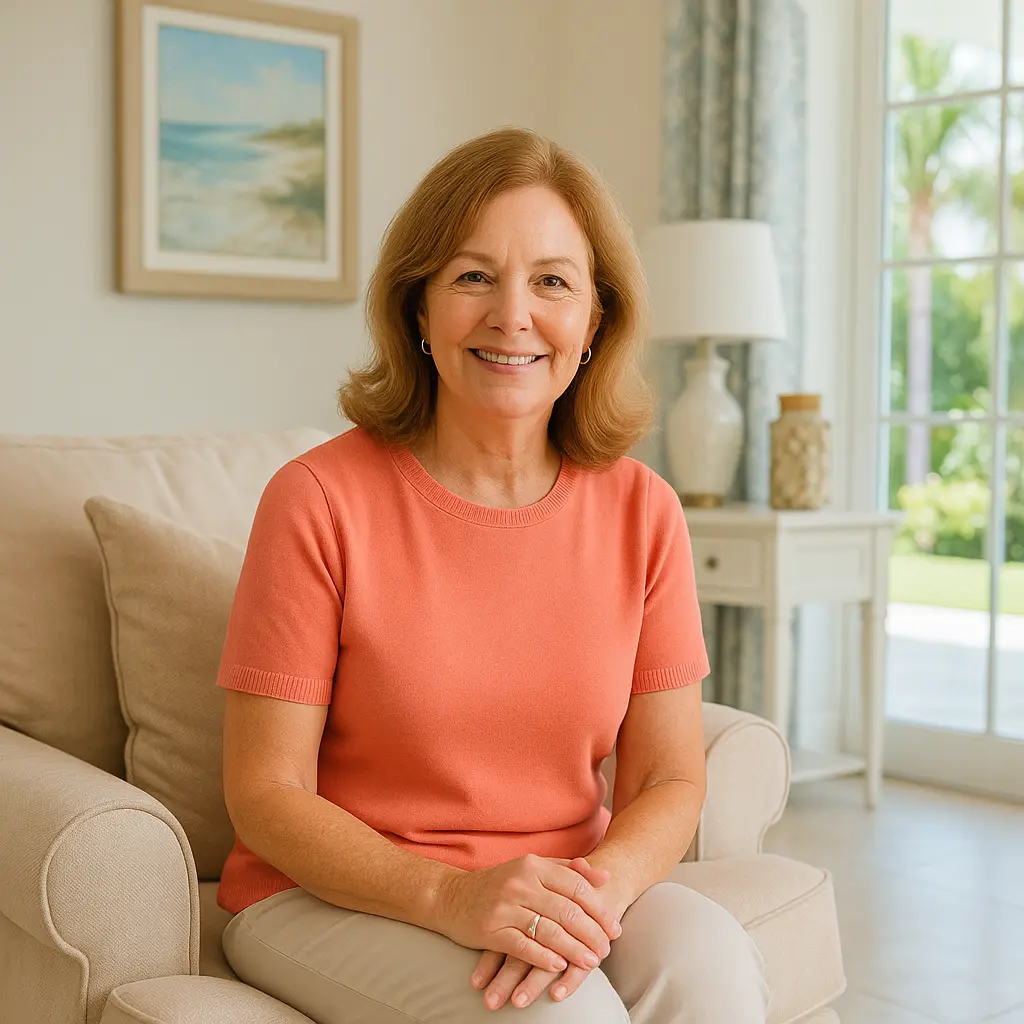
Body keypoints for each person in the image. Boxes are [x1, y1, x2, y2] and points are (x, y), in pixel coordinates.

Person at [217, 126, 769, 1023]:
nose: (513, 314)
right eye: (473, 276)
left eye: (552, 281)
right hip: (323, 897)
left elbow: (670, 777)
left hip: (562, 879)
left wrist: (595, 895)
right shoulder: (315, 500)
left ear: (593, 321)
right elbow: (266, 796)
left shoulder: (644, 511)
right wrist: (453, 898)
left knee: (712, 964)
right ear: (418, 312)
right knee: (563, 1015)